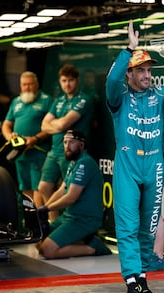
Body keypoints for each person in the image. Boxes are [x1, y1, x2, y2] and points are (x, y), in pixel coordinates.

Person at [105, 20, 164, 293]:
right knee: (127, 224)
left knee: (149, 225)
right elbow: (110, 81)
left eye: (149, 70)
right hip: (128, 167)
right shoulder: (118, 98)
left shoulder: (160, 95)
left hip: (155, 166)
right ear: (129, 74)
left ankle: (143, 274)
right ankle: (131, 278)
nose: (147, 75)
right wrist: (128, 49)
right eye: (141, 70)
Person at [36, 130, 111, 259]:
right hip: (69, 216)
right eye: (65, 142)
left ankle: (93, 248)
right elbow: (61, 190)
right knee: (39, 241)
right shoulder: (73, 163)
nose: (67, 146)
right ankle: (83, 240)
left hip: (84, 219)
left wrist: (48, 208)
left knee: (47, 250)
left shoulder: (85, 163)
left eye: (71, 142)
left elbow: (71, 197)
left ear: (82, 145)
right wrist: (45, 206)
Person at [39, 64, 93, 221]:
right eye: (63, 81)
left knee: (69, 191)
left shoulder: (84, 100)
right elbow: (44, 125)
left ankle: (68, 223)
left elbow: (63, 125)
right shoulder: (58, 101)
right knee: (44, 187)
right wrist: (58, 125)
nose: (67, 84)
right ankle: (52, 223)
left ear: (77, 81)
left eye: (70, 80)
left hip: (72, 153)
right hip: (54, 151)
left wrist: (55, 125)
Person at [1, 71, 52, 208]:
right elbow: (6, 124)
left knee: (38, 188)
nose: (27, 87)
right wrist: (9, 136)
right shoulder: (16, 102)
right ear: (20, 86)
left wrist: (35, 138)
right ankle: (30, 221)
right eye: (24, 85)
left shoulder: (46, 100)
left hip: (38, 153)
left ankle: (39, 222)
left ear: (37, 85)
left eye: (30, 84)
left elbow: (51, 127)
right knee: (25, 188)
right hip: (20, 154)